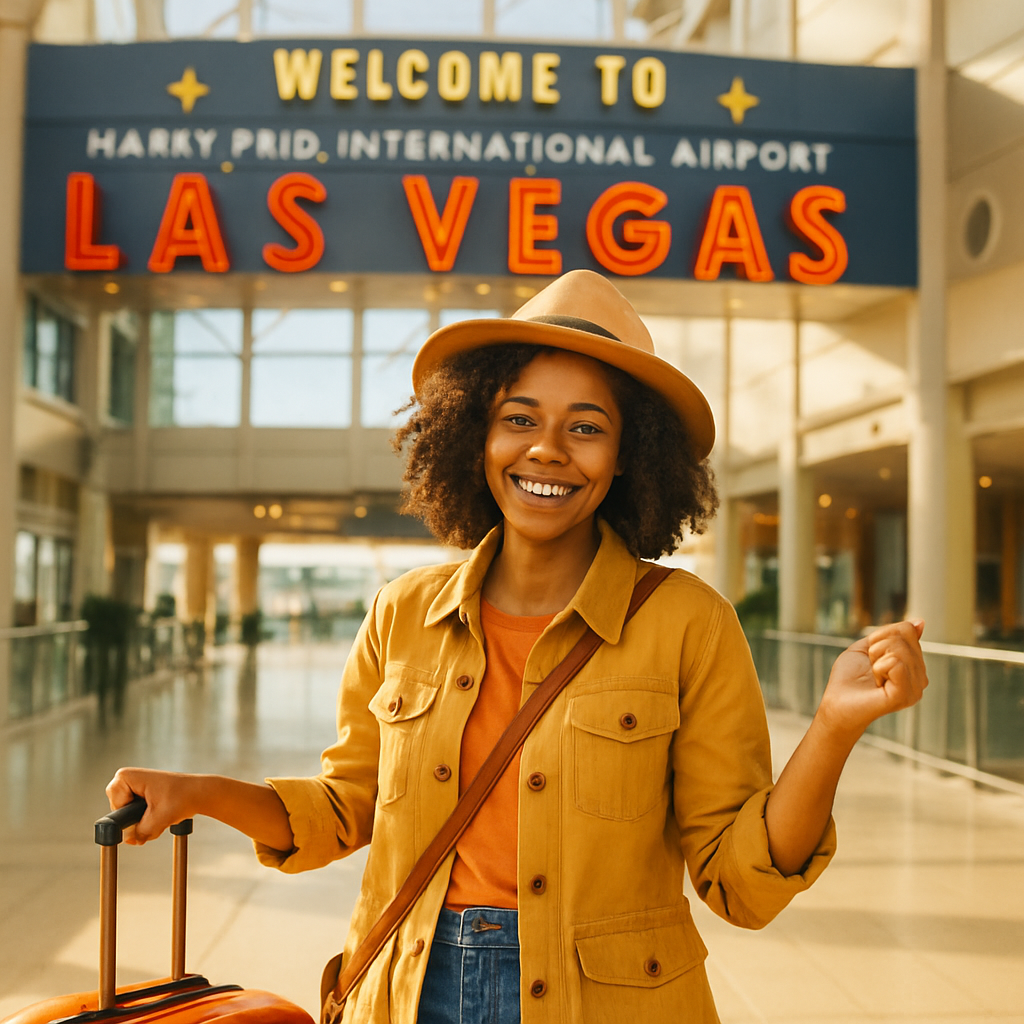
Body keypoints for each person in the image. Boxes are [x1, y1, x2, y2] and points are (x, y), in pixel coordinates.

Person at [108, 270, 928, 1024]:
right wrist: (200, 792)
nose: (547, 450)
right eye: (520, 418)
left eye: (587, 427)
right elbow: (341, 809)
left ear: (628, 459)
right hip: (407, 989)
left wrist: (832, 726)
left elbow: (739, 879)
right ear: (475, 434)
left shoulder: (689, 623)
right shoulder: (404, 612)